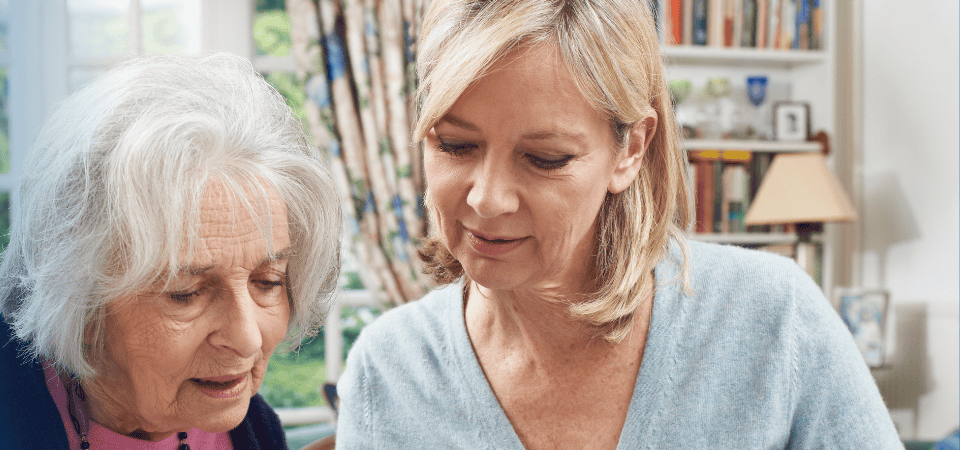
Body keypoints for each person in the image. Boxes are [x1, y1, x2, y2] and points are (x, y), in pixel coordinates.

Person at [332, 0, 900, 448]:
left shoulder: (774, 319)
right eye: (455, 145)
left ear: (630, 148)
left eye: (544, 158)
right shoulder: (387, 368)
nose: (487, 199)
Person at [0, 53, 341, 450]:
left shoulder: (248, 429)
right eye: (186, 294)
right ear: (83, 299)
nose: (247, 336)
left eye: (268, 282)